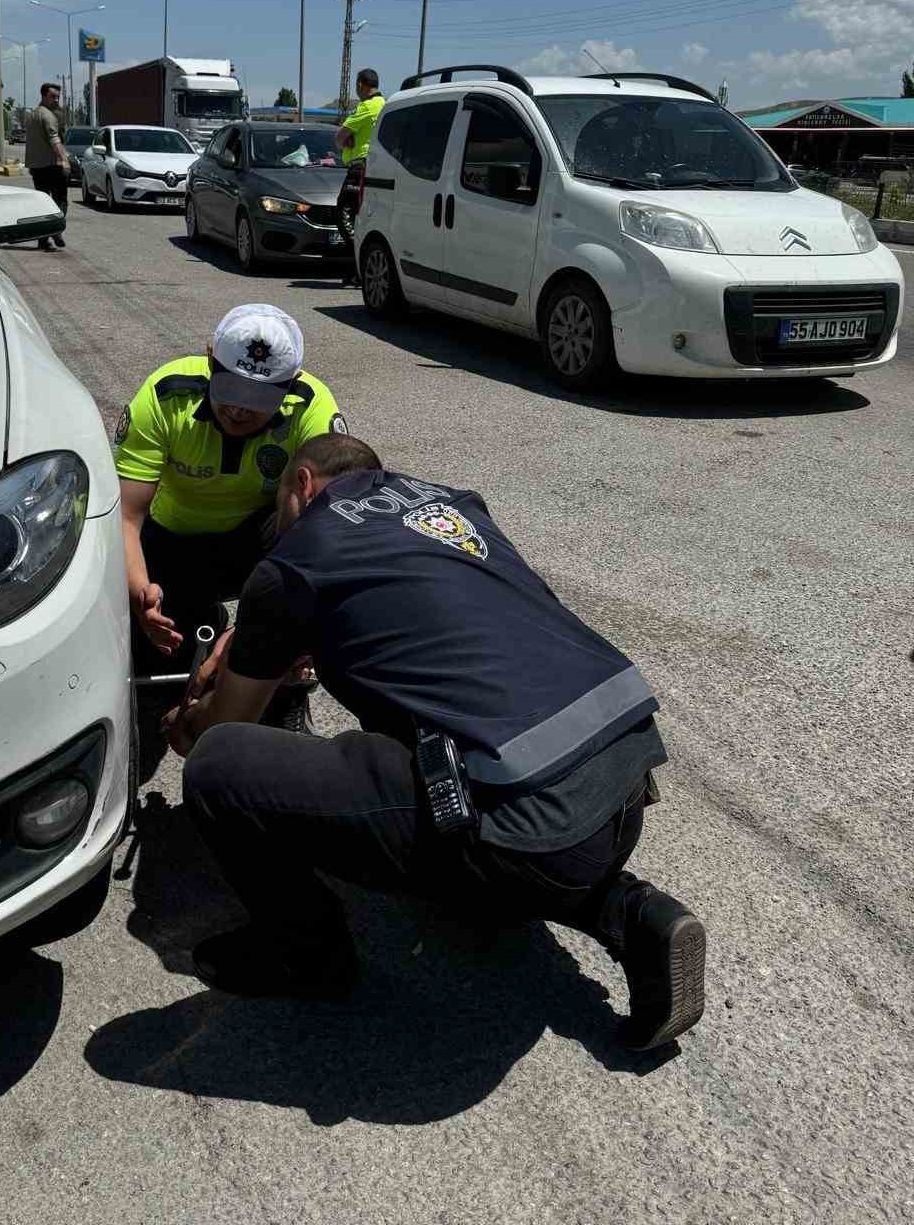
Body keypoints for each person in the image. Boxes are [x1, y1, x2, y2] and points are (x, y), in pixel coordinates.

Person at [168, 432, 707, 1053]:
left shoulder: (297, 558)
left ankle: (308, 959)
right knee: (481, 792)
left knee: (218, 765)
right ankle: (632, 916)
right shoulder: (451, 507)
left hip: (529, 832)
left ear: (304, 485)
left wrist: (189, 721)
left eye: (280, 510)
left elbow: (228, 720)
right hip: (623, 780)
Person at [117, 304, 348, 722]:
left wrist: (272, 630)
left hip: (259, 537)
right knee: (165, 661)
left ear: (291, 384)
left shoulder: (310, 407)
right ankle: (202, 615)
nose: (240, 411)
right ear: (210, 361)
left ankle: (287, 692)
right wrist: (140, 596)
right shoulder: (166, 393)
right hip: (171, 540)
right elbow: (125, 516)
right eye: (231, 392)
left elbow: (333, 525)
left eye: (258, 401)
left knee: (291, 614)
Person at [334, 69, 385, 285]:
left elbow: (339, 137)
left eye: (357, 85)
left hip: (360, 168)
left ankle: (359, 265)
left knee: (343, 213)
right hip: (377, 167)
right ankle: (356, 270)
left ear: (361, 84)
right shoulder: (386, 105)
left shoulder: (366, 107)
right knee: (363, 218)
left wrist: (347, 141)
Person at [25, 81, 69, 252]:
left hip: (36, 167)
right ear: (43, 95)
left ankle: (43, 240)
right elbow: (54, 140)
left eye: (58, 97)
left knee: (42, 203)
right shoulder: (48, 116)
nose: (56, 100)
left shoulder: (32, 115)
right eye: (53, 97)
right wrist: (64, 160)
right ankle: (55, 228)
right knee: (61, 200)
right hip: (52, 165)